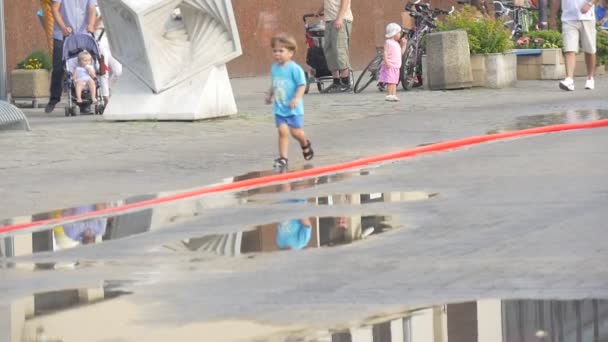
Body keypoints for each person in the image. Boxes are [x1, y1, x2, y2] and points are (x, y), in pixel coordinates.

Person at [264, 34, 314, 170]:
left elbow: (302, 85)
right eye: (275, 50)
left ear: (291, 53)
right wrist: (269, 94)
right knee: (282, 131)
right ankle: (283, 158)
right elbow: (274, 84)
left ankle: (305, 143)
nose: (277, 54)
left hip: (293, 109)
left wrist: (297, 98)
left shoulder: (294, 69)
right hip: (280, 108)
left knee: (296, 133)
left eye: (281, 51)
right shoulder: (274, 68)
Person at [45, 0, 98, 113]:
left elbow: (92, 9)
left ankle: (84, 103)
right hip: (63, 34)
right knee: (59, 67)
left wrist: (91, 24)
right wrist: (63, 27)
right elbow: (55, 9)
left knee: (84, 65)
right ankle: (54, 99)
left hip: (83, 34)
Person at [551, 0, 598, 91]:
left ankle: (590, 77)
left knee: (590, 50)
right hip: (568, 18)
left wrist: (589, 3)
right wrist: (552, 17)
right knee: (569, 49)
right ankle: (569, 79)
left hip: (587, 17)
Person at [317, 0, 353, 93]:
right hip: (329, 21)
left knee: (339, 50)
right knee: (329, 50)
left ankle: (345, 83)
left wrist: (340, 18)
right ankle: (336, 82)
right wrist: (319, 11)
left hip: (340, 20)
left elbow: (345, 2)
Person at [94, 6, 123, 105]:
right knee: (103, 70)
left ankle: (109, 89)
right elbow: (91, 27)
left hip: (111, 39)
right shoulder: (94, 6)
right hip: (100, 38)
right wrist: (102, 17)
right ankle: (105, 97)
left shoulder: (113, 6)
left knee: (118, 70)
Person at [379, 23, 407, 102]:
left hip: (396, 66)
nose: (400, 35)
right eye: (398, 33)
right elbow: (385, 52)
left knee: (394, 81)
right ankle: (389, 94)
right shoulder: (388, 42)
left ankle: (393, 94)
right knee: (390, 81)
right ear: (393, 33)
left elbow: (400, 53)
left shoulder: (397, 44)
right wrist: (386, 61)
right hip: (390, 65)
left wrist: (404, 45)